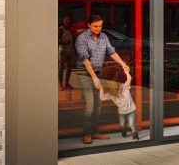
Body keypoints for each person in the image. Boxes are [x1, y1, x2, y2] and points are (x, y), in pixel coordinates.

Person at [73, 14, 132, 145]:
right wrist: (94, 78)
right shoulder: (81, 39)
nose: (98, 28)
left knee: (98, 104)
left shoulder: (104, 37)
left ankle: (94, 131)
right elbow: (85, 60)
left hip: (98, 72)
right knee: (90, 104)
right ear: (88, 25)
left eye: (100, 26)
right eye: (95, 26)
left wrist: (122, 64)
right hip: (84, 73)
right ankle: (87, 133)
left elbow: (112, 52)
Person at [99, 70, 138, 140]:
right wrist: (101, 89)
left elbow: (129, 79)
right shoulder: (111, 94)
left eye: (117, 91)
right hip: (121, 112)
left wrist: (126, 72)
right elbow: (102, 98)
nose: (116, 94)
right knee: (122, 124)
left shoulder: (124, 87)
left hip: (131, 109)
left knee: (131, 124)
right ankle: (124, 132)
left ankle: (135, 135)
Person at [58, 15, 75, 90]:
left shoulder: (71, 29)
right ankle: (60, 85)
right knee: (61, 68)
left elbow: (74, 39)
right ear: (64, 22)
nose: (68, 23)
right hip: (63, 51)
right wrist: (64, 42)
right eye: (66, 21)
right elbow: (56, 40)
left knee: (69, 68)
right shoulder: (60, 29)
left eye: (69, 22)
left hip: (70, 51)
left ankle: (66, 83)